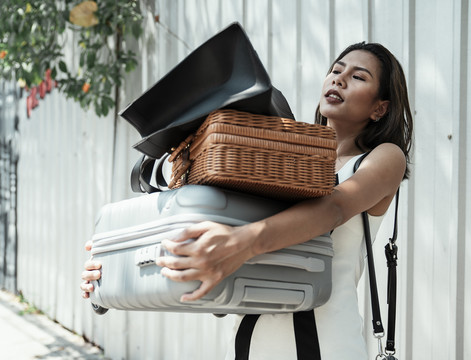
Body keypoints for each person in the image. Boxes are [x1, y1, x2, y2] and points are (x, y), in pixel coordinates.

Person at [81, 41, 413, 359]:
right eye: (336, 70)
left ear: (379, 108)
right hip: (247, 346)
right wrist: (112, 274)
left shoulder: (384, 158)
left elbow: (334, 208)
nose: (339, 78)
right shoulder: (285, 160)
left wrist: (241, 242)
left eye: (357, 76)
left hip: (324, 346)